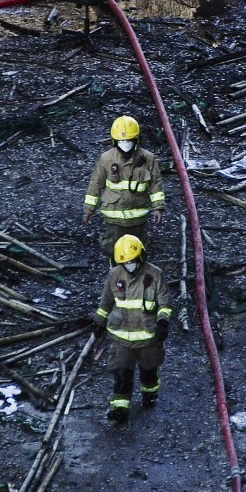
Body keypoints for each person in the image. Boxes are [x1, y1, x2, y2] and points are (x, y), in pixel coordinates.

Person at [95, 233, 172, 423]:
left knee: (149, 371)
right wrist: (98, 322)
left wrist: (163, 322)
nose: (129, 265)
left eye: (131, 262)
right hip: (121, 337)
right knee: (121, 373)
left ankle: (149, 394)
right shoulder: (114, 275)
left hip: (147, 337)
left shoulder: (155, 275)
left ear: (141, 257)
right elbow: (105, 302)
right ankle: (120, 408)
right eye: (124, 263)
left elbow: (165, 304)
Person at [82, 115, 165, 258]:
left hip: (138, 215)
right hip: (114, 215)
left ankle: (137, 267)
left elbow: (155, 184)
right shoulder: (106, 159)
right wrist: (88, 210)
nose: (125, 143)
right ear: (114, 141)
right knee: (111, 247)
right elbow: (95, 185)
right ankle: (115, 267)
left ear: (137, 139)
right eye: (121, 141)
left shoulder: (148, 158)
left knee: (137, 248)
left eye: (129, 140)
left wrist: (158, 207)